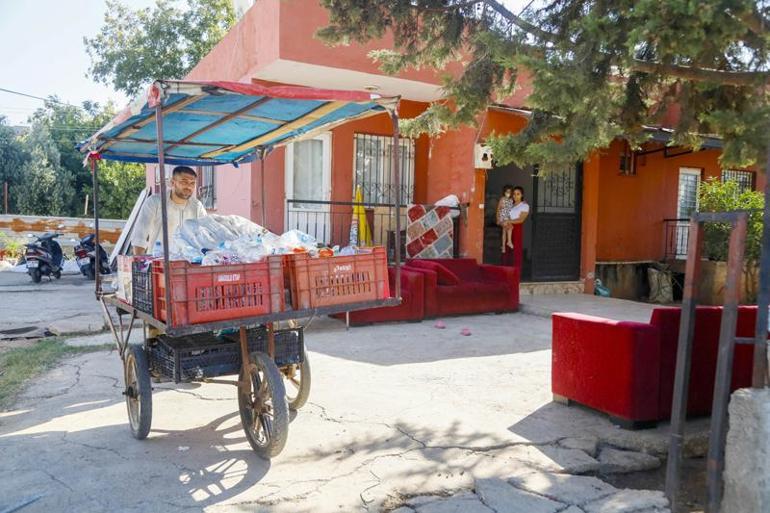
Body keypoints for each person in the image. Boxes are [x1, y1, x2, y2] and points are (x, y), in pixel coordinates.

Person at [131, 166, 207, 255]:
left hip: (188, 264)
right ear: (172, 182)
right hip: (158, 264)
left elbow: (206, 233)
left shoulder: (197, 206)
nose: (188, 186)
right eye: (184, 182)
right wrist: (140, 265)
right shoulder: (155, 202)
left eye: (192, 183)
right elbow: (139, 237)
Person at [500, 186, 529, 268]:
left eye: (518, 194)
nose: (515, 196)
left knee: (515, 251)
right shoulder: (510, 204)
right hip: (507, 227)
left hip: (516, 229)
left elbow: (521, 220)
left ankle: (515, 274)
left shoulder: (524, 205)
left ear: (522, 195)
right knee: (506, 251)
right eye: (514, 194)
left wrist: (509, 221)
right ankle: (505, 273)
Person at [496, 185, 515, 252]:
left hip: (508, 218)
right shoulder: (502, 199)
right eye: (507, 192)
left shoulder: (511, 200)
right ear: (504, 192)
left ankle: (503, 247)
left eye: (509, 192)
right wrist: (497, 219)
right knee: (510, 227)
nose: (508, 193)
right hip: (502, 217)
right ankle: (509, 241)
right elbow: (498, 209)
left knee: (504, 232)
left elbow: (514, 207)